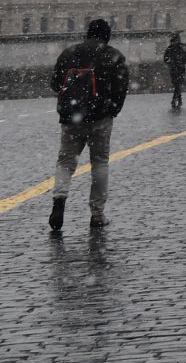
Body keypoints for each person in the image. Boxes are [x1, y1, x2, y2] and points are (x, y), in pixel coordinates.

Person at [48, 19, 129, 233]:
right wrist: (111, 109)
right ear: (106, 35)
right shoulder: (113, 55)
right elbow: (121, 88)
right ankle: (97, 214)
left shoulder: (69, 53)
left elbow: (55, 83)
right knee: (100, 163)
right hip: (100, 118)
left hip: (71, 117)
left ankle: (59, 199)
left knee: (65, 161)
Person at [163, 32, 186, 110]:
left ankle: (175, 100)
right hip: (176, 68)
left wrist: (184, 62)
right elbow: (165, 58)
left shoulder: (180, 47)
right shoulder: (173, 47)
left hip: (178, 68)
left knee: (177, 84)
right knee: (177, 84)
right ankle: (178, 99)